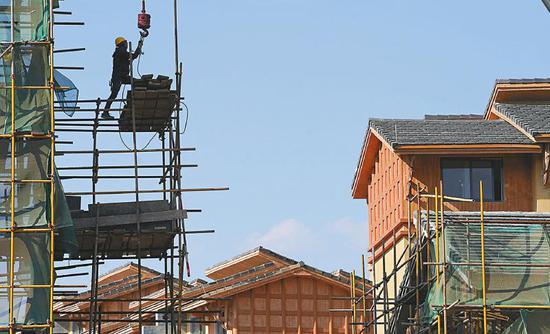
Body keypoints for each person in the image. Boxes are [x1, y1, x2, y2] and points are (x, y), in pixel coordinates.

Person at [102, 36, 143, 119]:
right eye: (125, 43)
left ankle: (134, 101)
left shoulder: (120, 52)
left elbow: (130, 58)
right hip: (118, 77)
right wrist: (139, 46)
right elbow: (134, 56)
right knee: (114, 94)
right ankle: (105, 112)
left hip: (123, 76)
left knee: (135, 82)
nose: (126, 45)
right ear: (122, 44)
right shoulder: (120, 52)